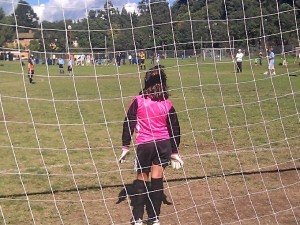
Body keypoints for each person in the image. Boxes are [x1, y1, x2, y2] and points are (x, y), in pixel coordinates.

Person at [118, 65, 184, 225]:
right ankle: (154, 218)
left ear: (146, 81)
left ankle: (138, 218)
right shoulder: (167, 104)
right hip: (163, 145)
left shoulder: (138, 101)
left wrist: (125, 146)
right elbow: (175, 128)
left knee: (141, 179)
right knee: (157, 179)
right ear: (163, 83)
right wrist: (174, 151)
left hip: (145, 145)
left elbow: (129, 123)